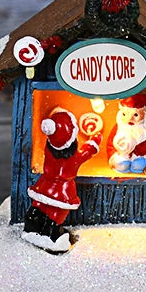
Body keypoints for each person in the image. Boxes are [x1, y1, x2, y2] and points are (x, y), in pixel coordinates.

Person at [24, 108, 101, 252]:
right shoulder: (74, 158)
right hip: (62, 191)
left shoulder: (49, 149)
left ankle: (32, 225)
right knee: (57, 213)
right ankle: (52, 234)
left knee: (39, 206)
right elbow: (88, 151)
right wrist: (95, 139)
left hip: (44, 184)